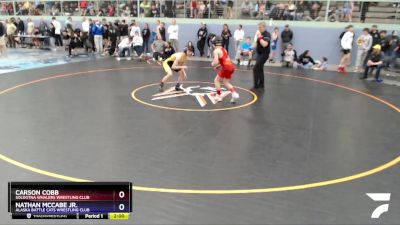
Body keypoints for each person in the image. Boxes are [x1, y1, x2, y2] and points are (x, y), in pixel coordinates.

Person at [211, 36, 239, 103]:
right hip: (231, 67)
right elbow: (226, 60)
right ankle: (234, 93)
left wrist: (212, 64)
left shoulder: (216, 51)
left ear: (214, 43)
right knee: (226, 82)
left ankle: (218, 96)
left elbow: (216, 62)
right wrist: (218, 66)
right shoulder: (224, 49)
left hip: (226, 68)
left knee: (216, 80)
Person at [252, 22, 270, 89]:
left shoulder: (267, 35)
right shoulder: (260, 34)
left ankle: (256, 85)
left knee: (255, 68)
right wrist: (250, 49)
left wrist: (259, 37)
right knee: (260, 69)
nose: (259, 29)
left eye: (260, 27)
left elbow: (264, 44)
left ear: (264, 27)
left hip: (264, 54)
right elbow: (256, 44)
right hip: (259, 54)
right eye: (258, 28)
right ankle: (261, 85)